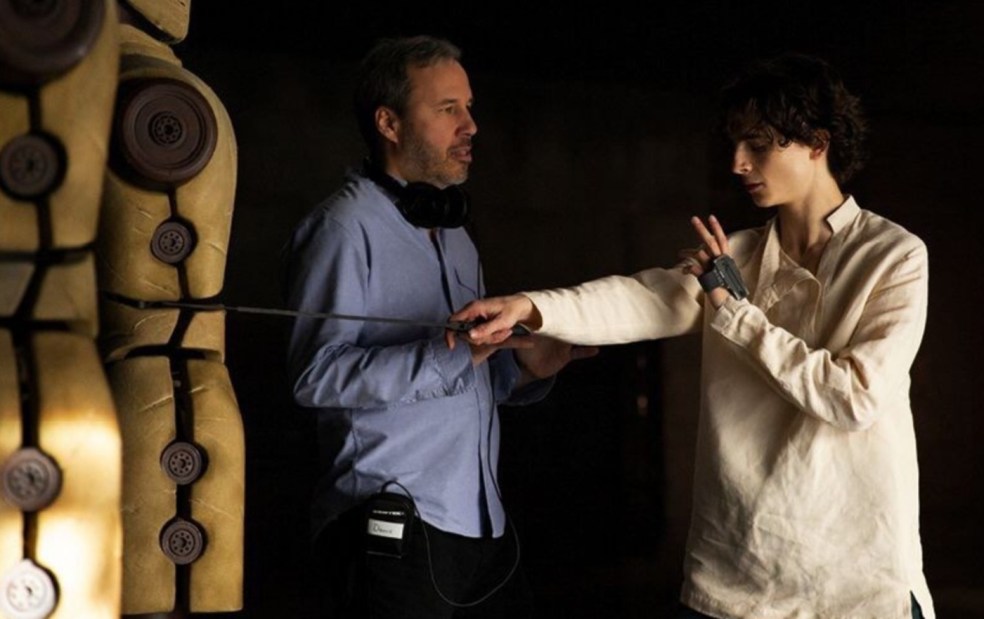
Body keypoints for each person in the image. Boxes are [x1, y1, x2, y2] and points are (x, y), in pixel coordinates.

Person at [450, 52, 935, 619]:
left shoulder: (893, 256)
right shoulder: (736, 255)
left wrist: (734, 311)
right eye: (735, 143)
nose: (738, 162)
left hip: (856, 579)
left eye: (758, 144)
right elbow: (644, 297)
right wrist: (531, 307)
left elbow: (853, 397)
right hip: (736, 573)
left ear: (817, 143)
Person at [282, 35, 595, 618]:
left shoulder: (456, 235)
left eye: (469, 107)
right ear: (389, 123)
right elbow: (314, 378)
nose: (471, 125)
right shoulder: (343, 228)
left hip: (479, 524)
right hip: (391, 522)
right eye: (448, 108)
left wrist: (526, 369)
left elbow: (463, 376)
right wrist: (451, 356)